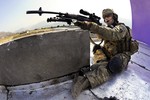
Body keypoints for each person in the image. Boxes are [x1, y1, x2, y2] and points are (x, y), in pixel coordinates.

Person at [71, 8, 139, 98]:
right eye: (104, 17)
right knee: (97, 48)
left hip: (120, 56)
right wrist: (84, 25)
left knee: (114, 65)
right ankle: (99, 66)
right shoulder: (108, 27)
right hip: (109, 54)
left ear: (113, 16)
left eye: (108, 16)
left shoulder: (121, 28)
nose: (106, 19)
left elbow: (113, 34)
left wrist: (93, 26)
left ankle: (87, 80)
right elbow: (101, 34)